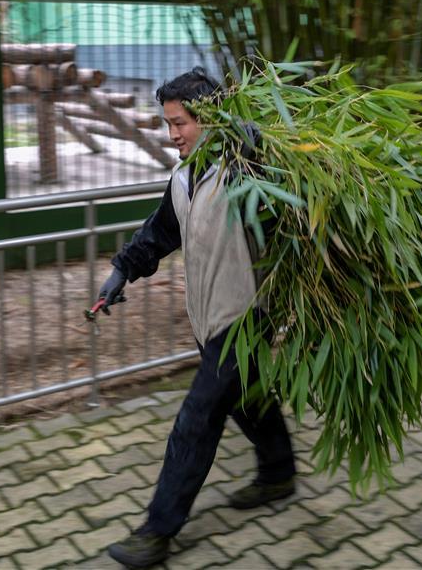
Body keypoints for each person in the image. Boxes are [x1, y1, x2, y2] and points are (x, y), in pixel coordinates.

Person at [99, 67, 296, 568]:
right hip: (206, 317)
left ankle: (157, 531)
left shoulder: (243, 170)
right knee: (246, 398)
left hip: (245, 316)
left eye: (180, 123)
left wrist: (256, 149)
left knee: (197, 418)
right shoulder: (184, 177)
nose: (172, 134)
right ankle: (278, 472)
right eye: (168, 123)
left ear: (210, 119)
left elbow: (287, 209)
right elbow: (160, 231)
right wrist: (122, 270)